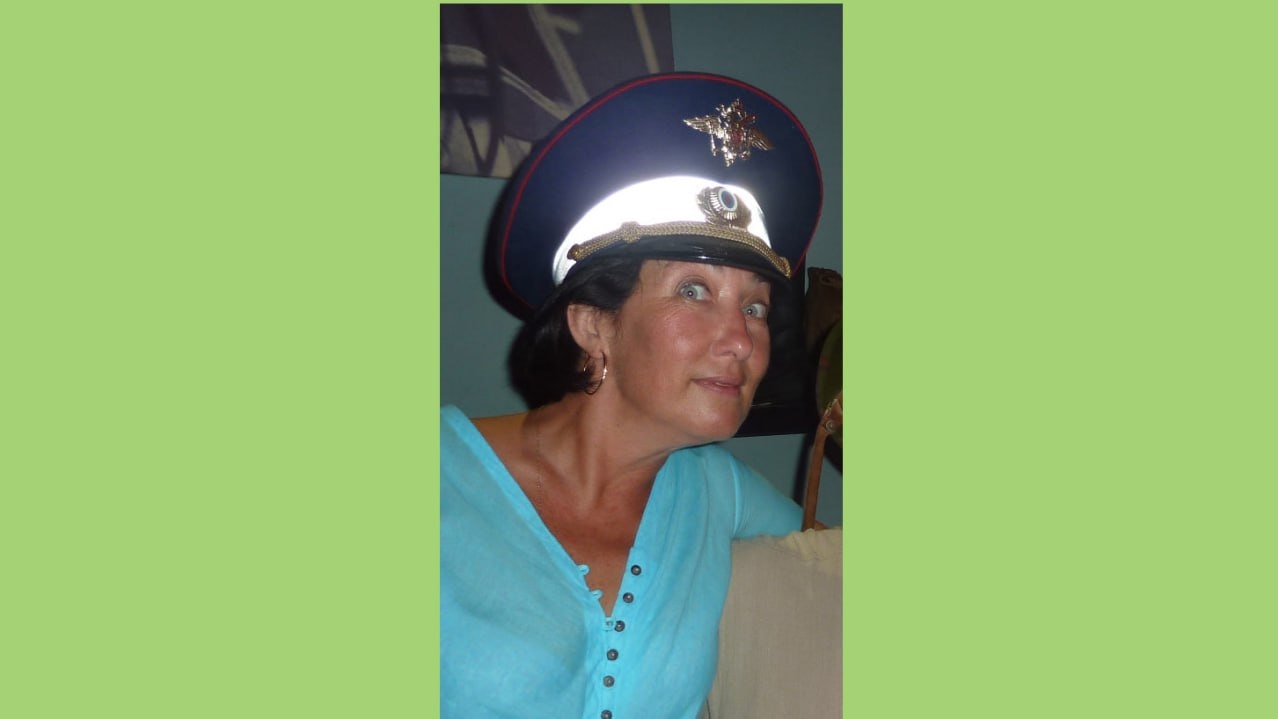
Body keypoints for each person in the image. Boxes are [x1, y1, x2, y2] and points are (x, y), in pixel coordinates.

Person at [441, 72, 824, 719]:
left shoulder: (716, 489)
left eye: (755, 306)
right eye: (693, 291)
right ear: (594, 325)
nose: (741, 340)